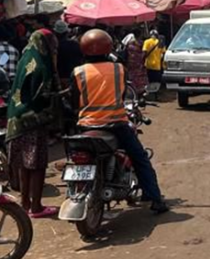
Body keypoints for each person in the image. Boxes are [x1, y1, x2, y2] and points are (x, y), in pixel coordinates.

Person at [71, 29, 167, 214]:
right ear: (108, 48)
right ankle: (155, 199)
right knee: (140, 159)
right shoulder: (118, 69)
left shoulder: (77, 72)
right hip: (116, 124)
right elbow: (122, 95)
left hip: (86, 126)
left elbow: (74, 101)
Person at [6, 30, 61, 219]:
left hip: (17, 118)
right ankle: (36, 206)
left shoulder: (25, 58)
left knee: (24, 164)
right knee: (37, 165)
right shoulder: (41, 63)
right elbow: (44, 93)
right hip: (34, 120)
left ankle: (25, 203)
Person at [53, 20, 82, 85]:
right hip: (75, 76)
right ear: (67, 32)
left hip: (59, 78)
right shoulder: (76, 44)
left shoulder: (54, 47)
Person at [122, 30, 148, 95]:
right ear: (140, 35)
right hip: (139, 63)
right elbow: (144, 52)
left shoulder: (129, 44)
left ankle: (133, 91)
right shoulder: (141, 43)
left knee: (132, 76)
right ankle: (140, 91)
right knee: (140, 76)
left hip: (130, 62)